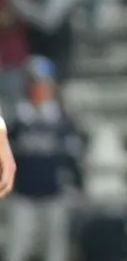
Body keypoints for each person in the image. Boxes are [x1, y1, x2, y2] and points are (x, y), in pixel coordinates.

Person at [5, 56, 84, 261]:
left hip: (53, 195)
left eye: (44, 82)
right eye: (35, 82)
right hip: (22, 195)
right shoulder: (16, 119)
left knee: (55, 251)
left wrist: (76, 183)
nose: (40, 88)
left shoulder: (62, 120)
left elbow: (73, 156)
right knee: (16, 249)